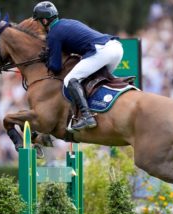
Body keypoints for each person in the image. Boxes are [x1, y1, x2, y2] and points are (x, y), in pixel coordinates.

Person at [32, 1, 124, 131]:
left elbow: (56, 68)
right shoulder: (67, 22)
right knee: (92, 82)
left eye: (38, 21)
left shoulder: (53, 33)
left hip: (102, 51)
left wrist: (47, 60)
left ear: (45, 21)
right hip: (116, 48)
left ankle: (87, 116)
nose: (37, 25)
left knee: (70, 80)